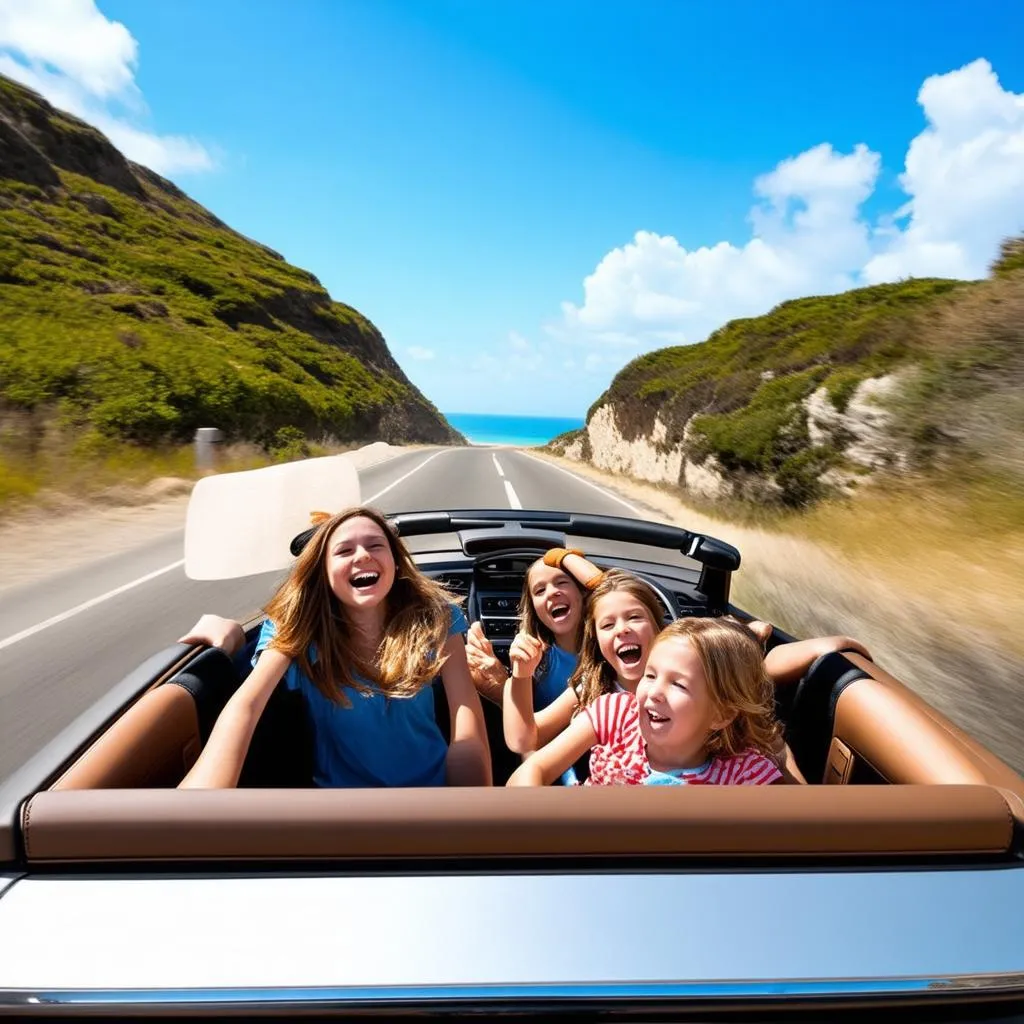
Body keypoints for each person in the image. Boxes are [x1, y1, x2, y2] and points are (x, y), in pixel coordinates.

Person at [179, 506, 491, 789]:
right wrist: (195, 811)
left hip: (430, 799)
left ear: (395, 563)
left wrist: (470, 813)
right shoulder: (298, 625)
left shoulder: (437, 616)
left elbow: (466, 724)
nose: (362, 556)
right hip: (340, 811)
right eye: (344, 550)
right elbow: (247, 706)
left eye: (375, 545)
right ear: (323, 573)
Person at [507, 617, 784, 787]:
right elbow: (533, 770)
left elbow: (792, 831)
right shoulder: (616, 713)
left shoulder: (743, 773)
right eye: (650, 675)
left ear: (721, 714)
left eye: (678, 684)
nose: (653, 692)